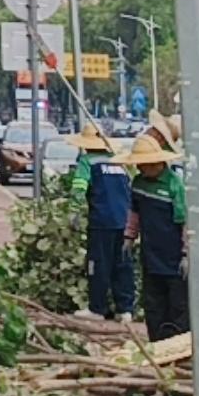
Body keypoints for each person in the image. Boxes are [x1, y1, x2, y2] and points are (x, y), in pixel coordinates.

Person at [122, 132, 190, 341]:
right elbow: (134, 212)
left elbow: (185, 222)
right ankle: (156, 344)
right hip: (150, 255)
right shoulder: (138, 183)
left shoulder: (174, 185)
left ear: (157, 163)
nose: (140, 168)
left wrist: (186, 253)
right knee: (153, 305)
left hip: (174, 258)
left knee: (177, 306)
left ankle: (178, 345)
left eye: (144, 164)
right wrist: (129, 236)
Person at [67, 126, 138, 321]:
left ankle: (97, 308)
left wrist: (74, 212)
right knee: (123, 265)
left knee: (98, 264)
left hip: (102, 222)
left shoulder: (87, 162)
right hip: (125, 222)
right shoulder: (119, 161)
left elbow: (79, 187)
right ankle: (125, 309)